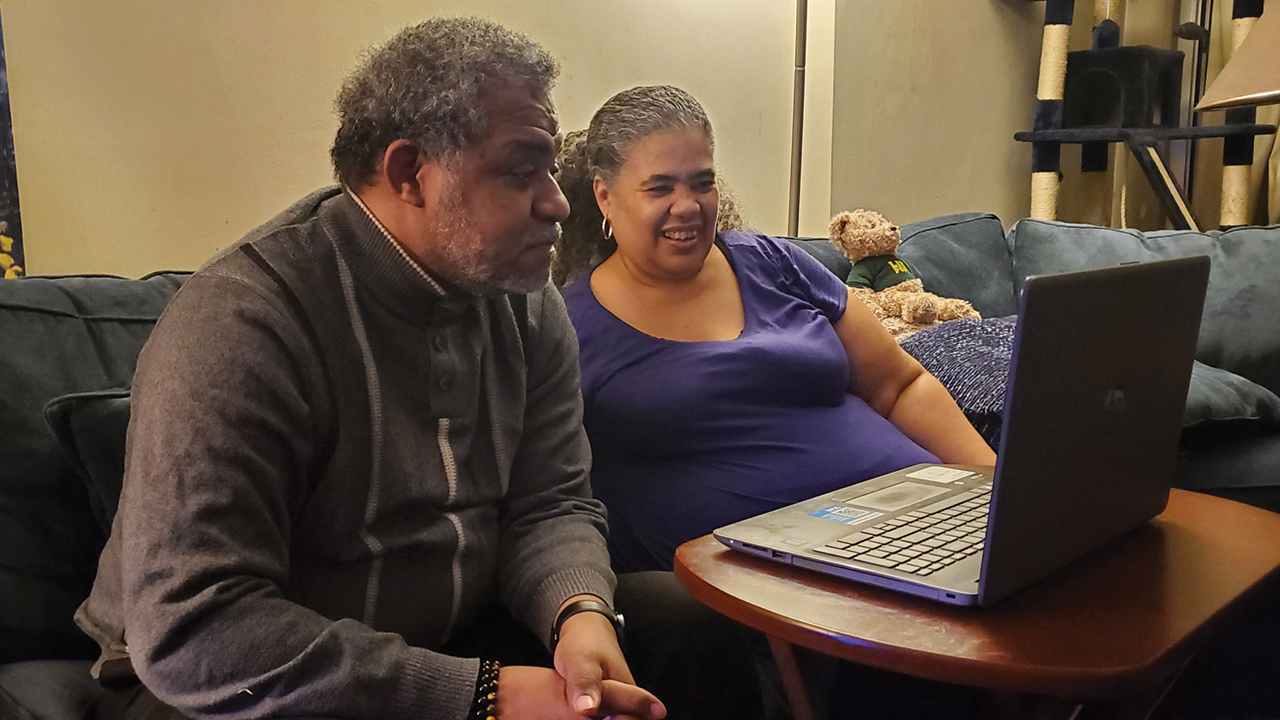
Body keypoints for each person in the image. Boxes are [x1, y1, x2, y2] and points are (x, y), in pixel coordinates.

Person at [73, 21, 752, 720]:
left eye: (549, 168)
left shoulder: (527, 302)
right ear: (407, 174)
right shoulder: (243, 322)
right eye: (521, 169)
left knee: (688, 621)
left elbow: (551, 503)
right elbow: (197, 629)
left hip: (456, 633)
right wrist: (483, 697)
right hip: (222, 682)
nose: (557, 200)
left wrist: (578, 612)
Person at [555, 85, 998, 574]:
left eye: (701, 183)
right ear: (605, 197)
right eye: (660, 187)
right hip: (782, 585)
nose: (687, 205)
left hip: (919, 527)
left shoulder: (770, 260)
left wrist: (995, 490)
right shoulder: (568, 328)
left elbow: (899, 385)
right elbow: (551, 499)